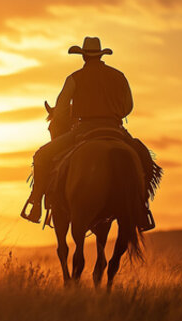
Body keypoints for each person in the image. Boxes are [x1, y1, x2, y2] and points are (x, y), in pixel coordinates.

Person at [21, 37, 142, 224]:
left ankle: (35, 205)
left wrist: (73, 118)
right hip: (115, 129)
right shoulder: (119, 76)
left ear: (83, 56)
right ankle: (142, 208)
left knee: (41, 157)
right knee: (143, 157)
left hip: (84, 130)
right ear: (101, 55)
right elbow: (128, 107)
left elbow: (60, 111)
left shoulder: (74, 78)